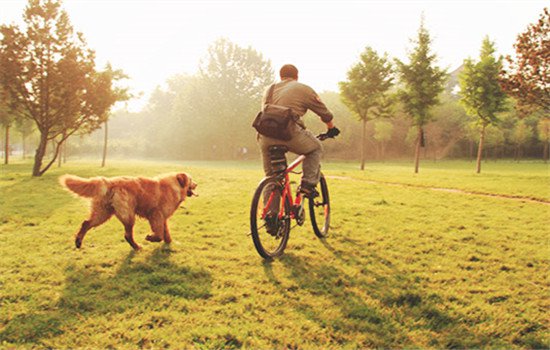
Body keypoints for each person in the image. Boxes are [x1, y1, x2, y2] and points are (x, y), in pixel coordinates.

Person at [258, 64, 339, 233]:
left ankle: (271, 220)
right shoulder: (302, 88)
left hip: (265, 137)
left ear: (281, 76)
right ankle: (308, 185)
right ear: (297, 76)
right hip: (289, 134)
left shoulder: (269, 89)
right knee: (315, 148)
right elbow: (324, 113)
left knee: (272, 177)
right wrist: (331, 128)